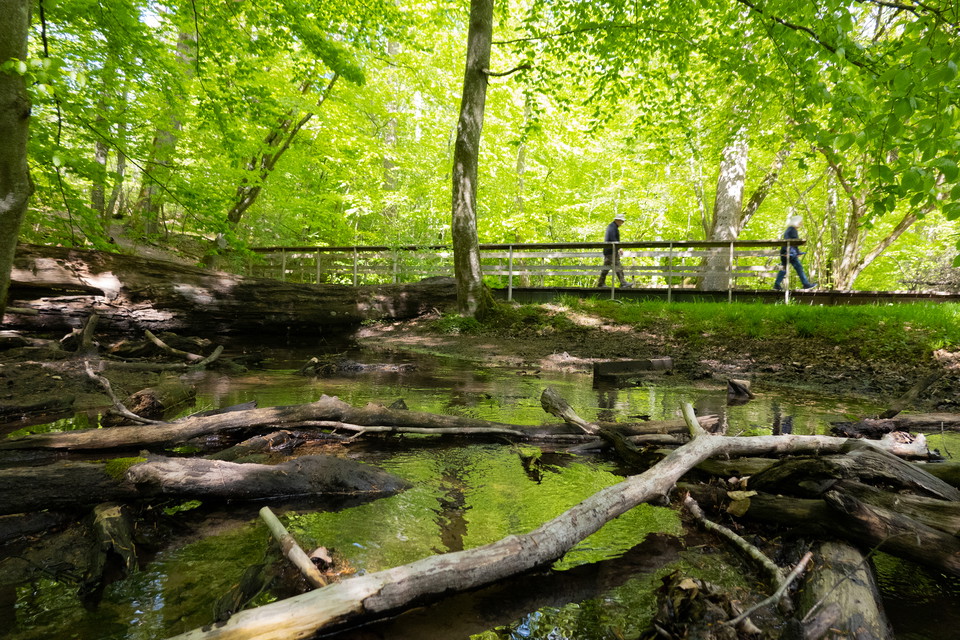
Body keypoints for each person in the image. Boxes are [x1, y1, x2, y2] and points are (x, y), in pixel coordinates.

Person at [773, 214, 816, 290]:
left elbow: (793, 243)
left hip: (787, 252)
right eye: (800, 222)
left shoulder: (789, 229)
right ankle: (805, 284)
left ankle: (777, 285)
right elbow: (789, 242)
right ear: (796, 222)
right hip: (790, 253)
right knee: (798, 267)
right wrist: (791, 253)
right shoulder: (792, 230)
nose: (801, 224)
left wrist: (797, 252)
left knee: (784, 269)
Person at [597, 213, 631, 288]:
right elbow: (613, 239)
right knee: (617, 266)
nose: (622, 223)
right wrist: (620, 248)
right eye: (622, 221)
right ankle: (623, 283)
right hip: (611, 251)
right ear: (617, 220)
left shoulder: (612, 227)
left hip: (610, 251)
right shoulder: (612, 227)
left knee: (606, 268)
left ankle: (601, 283)